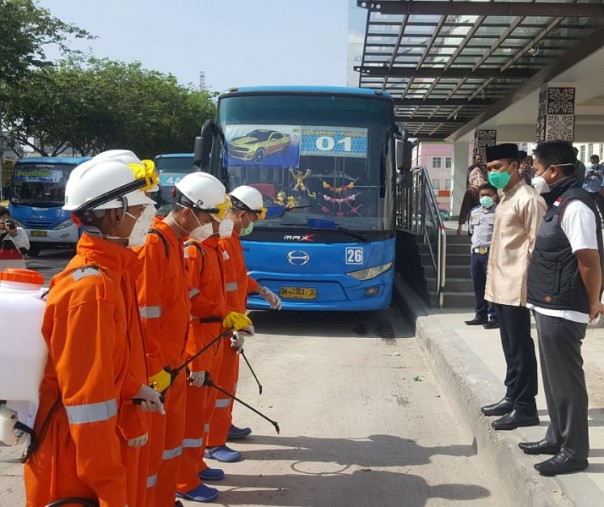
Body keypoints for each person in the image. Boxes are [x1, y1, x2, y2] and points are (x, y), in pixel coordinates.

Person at [24, 156, 165, 507]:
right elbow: (88, 406)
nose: (151, 213)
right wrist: (109, 489)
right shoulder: (92, 291)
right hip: (78, 463)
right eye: (143, 206)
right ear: (116, 214)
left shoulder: (114, 273)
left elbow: (106, 365)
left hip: (97, 448)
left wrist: (134, 386)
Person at [134, 171, 230, 507]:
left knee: (171, 440)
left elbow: (179, 308)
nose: (209, 225)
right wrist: (152, 369)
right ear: (188, 211)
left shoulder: (173, 243)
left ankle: (167, 494)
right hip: (158, 369)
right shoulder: (155, 244)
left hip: (172, 364)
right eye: (207, 217)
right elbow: (146, 315)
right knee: (154, 446)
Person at [520, 140, 604, 476]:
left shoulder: (576, 206)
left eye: (537, 169)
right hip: (548, 305)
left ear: (553, 170)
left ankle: (574, 452)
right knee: (554, 380)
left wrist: (594, 300)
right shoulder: (557, 201)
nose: (534, 174)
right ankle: (556, 436)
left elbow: (589, 260)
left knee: (567, 383)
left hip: (565, 307)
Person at [176, 217, 253, 503]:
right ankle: (184, 479)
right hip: (199, 342)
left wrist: (229, 320)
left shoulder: (212, 250)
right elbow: (191, 304)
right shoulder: (195, 251)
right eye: (215, 217)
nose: (224, 222)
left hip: (212, 339)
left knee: (203, 413)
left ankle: (195, 466)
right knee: (192, 417)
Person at [205, 185, 282, 463]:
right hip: (222, 325)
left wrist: (261, 290)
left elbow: (238, 278)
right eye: (252, 217)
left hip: (231, 322)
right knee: (218, 385)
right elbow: (215, 292)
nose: (253, 224)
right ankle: (212, 442)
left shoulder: (232, 239)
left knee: (228, 383)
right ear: (240, 214)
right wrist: (232, 325)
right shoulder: (223, 241)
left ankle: (224, 426)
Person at [480, 143, 546, 431]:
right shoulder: (505, 197)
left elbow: (538, 245)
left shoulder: (529, 199)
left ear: (515, 166)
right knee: (509, 345)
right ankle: (512, 395)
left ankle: (525, 406)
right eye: (489, 169)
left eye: (497, 168)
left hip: (517, 285)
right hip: (499, 284)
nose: (492, 174)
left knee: (520, 346)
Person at [464, 183, 499, 329]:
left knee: (492, 287)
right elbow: (472, 231)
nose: (484, 198)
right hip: (476, 254)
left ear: (495, 196)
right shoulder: (474, 212)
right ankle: (481, 315)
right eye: (482, 195)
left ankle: (495, 317)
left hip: (491, 253)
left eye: (488, 195)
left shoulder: (499, 212)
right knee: (478, 286)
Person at [457, 154, 486, 235]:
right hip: (474, 221)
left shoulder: (485, 191)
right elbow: (464, 208)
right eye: (478, 159)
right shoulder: (470, 191)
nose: (478, 179)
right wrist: (460, 226)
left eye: (480, 176)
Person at [0, 205, 29, 270]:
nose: (4, 223)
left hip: (15, 274)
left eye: (5, 219)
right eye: (1, 220)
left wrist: (14, 235)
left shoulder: (19, 231)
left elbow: (24, 251)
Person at [582, 154, 604, 220]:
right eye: (592, 161)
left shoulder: (602, 168)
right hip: (589, 189)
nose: (594, 162)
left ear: (598, 160)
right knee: (589, 205)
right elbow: (585, 179)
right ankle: (591, 219)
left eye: (595, 161)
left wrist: (602, 187)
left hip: (598, 189)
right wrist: (588, 175)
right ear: (590, 160)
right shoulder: (587, 167)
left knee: (601, 206)